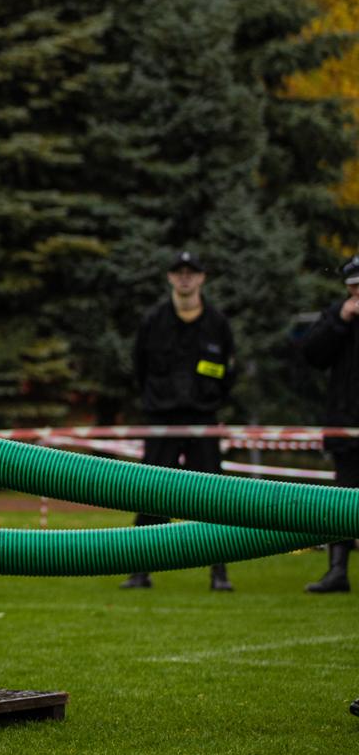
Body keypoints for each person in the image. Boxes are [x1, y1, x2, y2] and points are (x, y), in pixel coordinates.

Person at [121, 251, 236, 591]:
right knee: (150, 494)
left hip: (202, 421)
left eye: (192, 272)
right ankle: (140, 570)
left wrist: (208, 403)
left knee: (213, 498)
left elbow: (228, 373)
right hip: (162, 421)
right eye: (179, 272)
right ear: (171, 277)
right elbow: (139, 369)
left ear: (202, 277)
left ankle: (219, 572)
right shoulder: (153, 321)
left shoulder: (218, 324)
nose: (185, 277)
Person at [298, 255, 359, 594]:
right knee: (341, 500)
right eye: (354, 287)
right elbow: (311, 354)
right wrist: (340, 319)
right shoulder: (338, 315)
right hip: (345, 425)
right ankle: (337, 569)